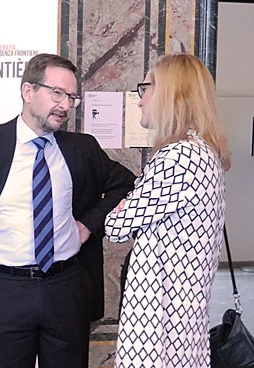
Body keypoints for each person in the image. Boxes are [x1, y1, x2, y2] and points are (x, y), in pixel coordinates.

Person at [0, 53, 136, 368]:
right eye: (57, 93)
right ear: (28, 91)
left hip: (66, 288)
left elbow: (126, 184)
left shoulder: (81, 148)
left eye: (71, 97)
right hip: (5, 291)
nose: (65, 105)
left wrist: (88, 225)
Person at [104, 53, 231, 368]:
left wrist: (121, 210)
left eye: (145, 88)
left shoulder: (178, 157)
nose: (139, 99)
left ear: (170, 93)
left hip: (161, 325)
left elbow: (116, 227)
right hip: (182, 317)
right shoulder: (201, 152)